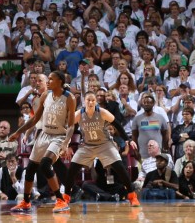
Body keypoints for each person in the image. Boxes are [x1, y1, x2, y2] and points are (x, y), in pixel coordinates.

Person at [9, 71, 76, 213]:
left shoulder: (69, 98)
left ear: (60, 81)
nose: (48, 81)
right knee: (30, 169)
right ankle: (26, 202)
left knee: (46, 164)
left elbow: (71, 125)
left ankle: (60, 200)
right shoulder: (45, 95)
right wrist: (18, 132)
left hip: (58, 136)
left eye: (51, 79)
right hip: (44, 135)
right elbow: (34, 119)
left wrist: (66, 143)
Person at [61, 91, 140, 206]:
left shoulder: (102, 112)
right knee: (72, 169)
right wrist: (66, 144)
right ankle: (65, 198)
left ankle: (132, 196)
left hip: (105, 144)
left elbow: (117, 125)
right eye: (88, 100)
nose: (91, 102)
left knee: (120, 167)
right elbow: (70, 129)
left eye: (93, 100)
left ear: (96, 102)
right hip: (88, 145)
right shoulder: (78, 114)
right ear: (84, 102)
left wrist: (128, 139)